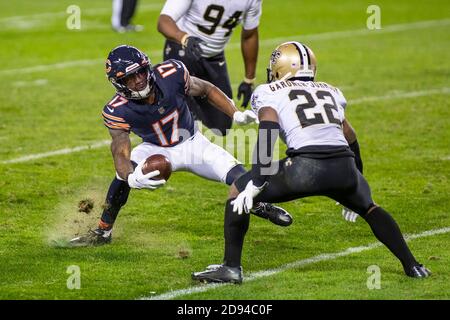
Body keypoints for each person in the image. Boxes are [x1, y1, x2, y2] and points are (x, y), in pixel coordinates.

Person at [192, 41, 431, 283]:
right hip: (344, 167)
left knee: (238, 190)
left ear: (279, 68)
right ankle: (413, 266)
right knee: (370, 208)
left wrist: (257, 180)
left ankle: (231, 268)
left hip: (306, 168)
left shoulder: (268, 91)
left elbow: (269, 128)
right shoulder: (331, 90)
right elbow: (350, 136)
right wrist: (357, 182)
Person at [69, 45, 292, 246]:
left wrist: (235, 113)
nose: (138, 80)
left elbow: (206, 89)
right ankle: (103, 231)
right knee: (120, 179)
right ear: (119, 84)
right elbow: (120, 151)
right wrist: (130, 176)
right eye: (129, 78)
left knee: (240, 176)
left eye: (140, 72)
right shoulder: (116, 109)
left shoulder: (171, 74)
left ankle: (259, 205)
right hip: (155, 147)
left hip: (193, 142)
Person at [157, 0, 262, 136]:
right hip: (183, 50)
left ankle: (189, 104)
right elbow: (164, 21)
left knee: (222, 125)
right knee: (183, 123)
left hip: (214, 56)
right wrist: (184, 37)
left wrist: (249, 79)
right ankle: (179, 108)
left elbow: (250, 35)